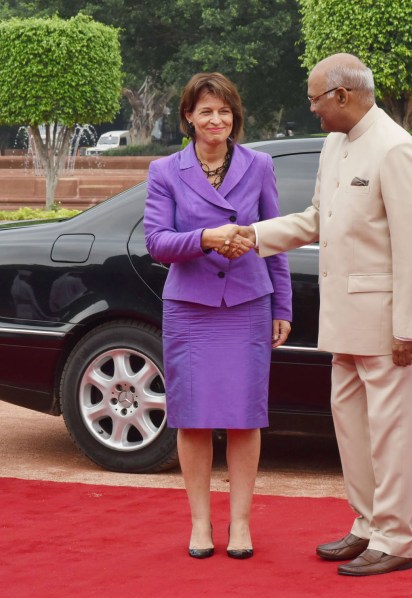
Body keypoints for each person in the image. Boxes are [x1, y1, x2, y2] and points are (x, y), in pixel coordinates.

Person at [226, 53, 412, 576]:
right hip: (344, 321)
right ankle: (366, 525)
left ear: (342, 96)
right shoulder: (335, 144)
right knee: (353, 430)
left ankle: (395, 539)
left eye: (316, 99)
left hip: (389, 325)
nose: (313, 109)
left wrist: (408, 327)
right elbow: (318, 218)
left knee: (391, 435)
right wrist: (257, 236)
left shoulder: (395, 148)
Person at [143, 72, 292, 560]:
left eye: (224, 111)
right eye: (206, 111)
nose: (216, 120)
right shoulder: (165, 170)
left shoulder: (259, 165)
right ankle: (201, 524)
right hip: (190, 308)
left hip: (249, 304)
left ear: (236, 117)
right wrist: (206, 238)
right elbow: (157, 243)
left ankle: (242, 525)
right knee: (194, 420)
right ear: (188, 116)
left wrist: (282, 306)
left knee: (247, 419)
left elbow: (275, 242)